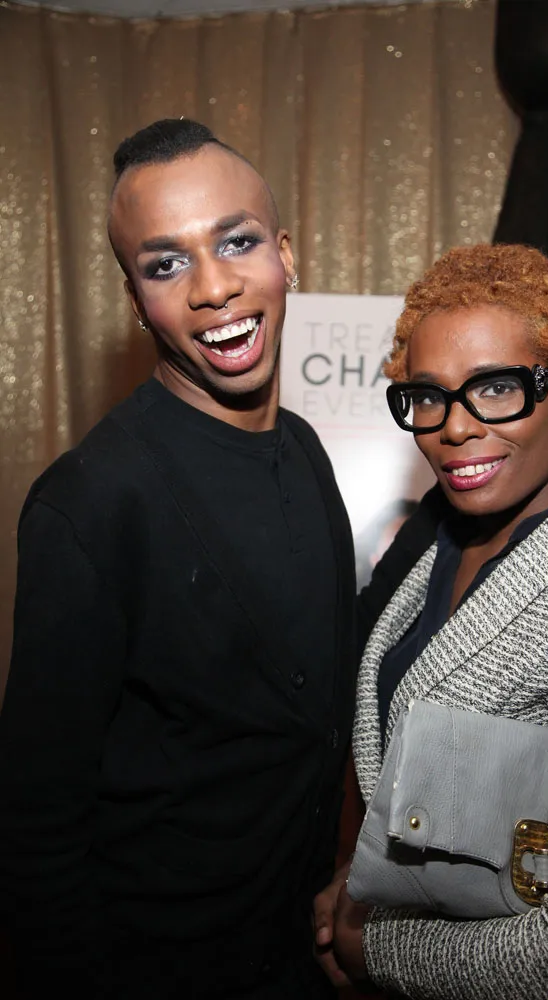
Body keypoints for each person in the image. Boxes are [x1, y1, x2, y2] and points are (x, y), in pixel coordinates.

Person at [0, 118, 359, 1000]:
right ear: (135, 301)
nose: (214, 288)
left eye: (237, 242)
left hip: (299, 953)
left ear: (285, 255)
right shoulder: (91, 501)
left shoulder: (305, 450)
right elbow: (38, 823)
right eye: (165, 264)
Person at [314, 243, 548, 999]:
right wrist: (361, 878)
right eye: (428, 396)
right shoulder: (437, 544)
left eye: (497, 388)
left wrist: (374, 946)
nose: (454, 428)